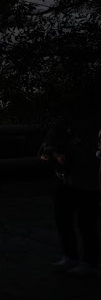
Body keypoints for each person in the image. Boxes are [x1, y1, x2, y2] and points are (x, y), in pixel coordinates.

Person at [40, 111, 100, 278]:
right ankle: (71, 256)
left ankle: (89, 261)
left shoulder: (90, 127)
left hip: (86, 181)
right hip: (67, 179)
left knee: (86, 222)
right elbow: (47, 152)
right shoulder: (64, 123)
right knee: (64, 219)